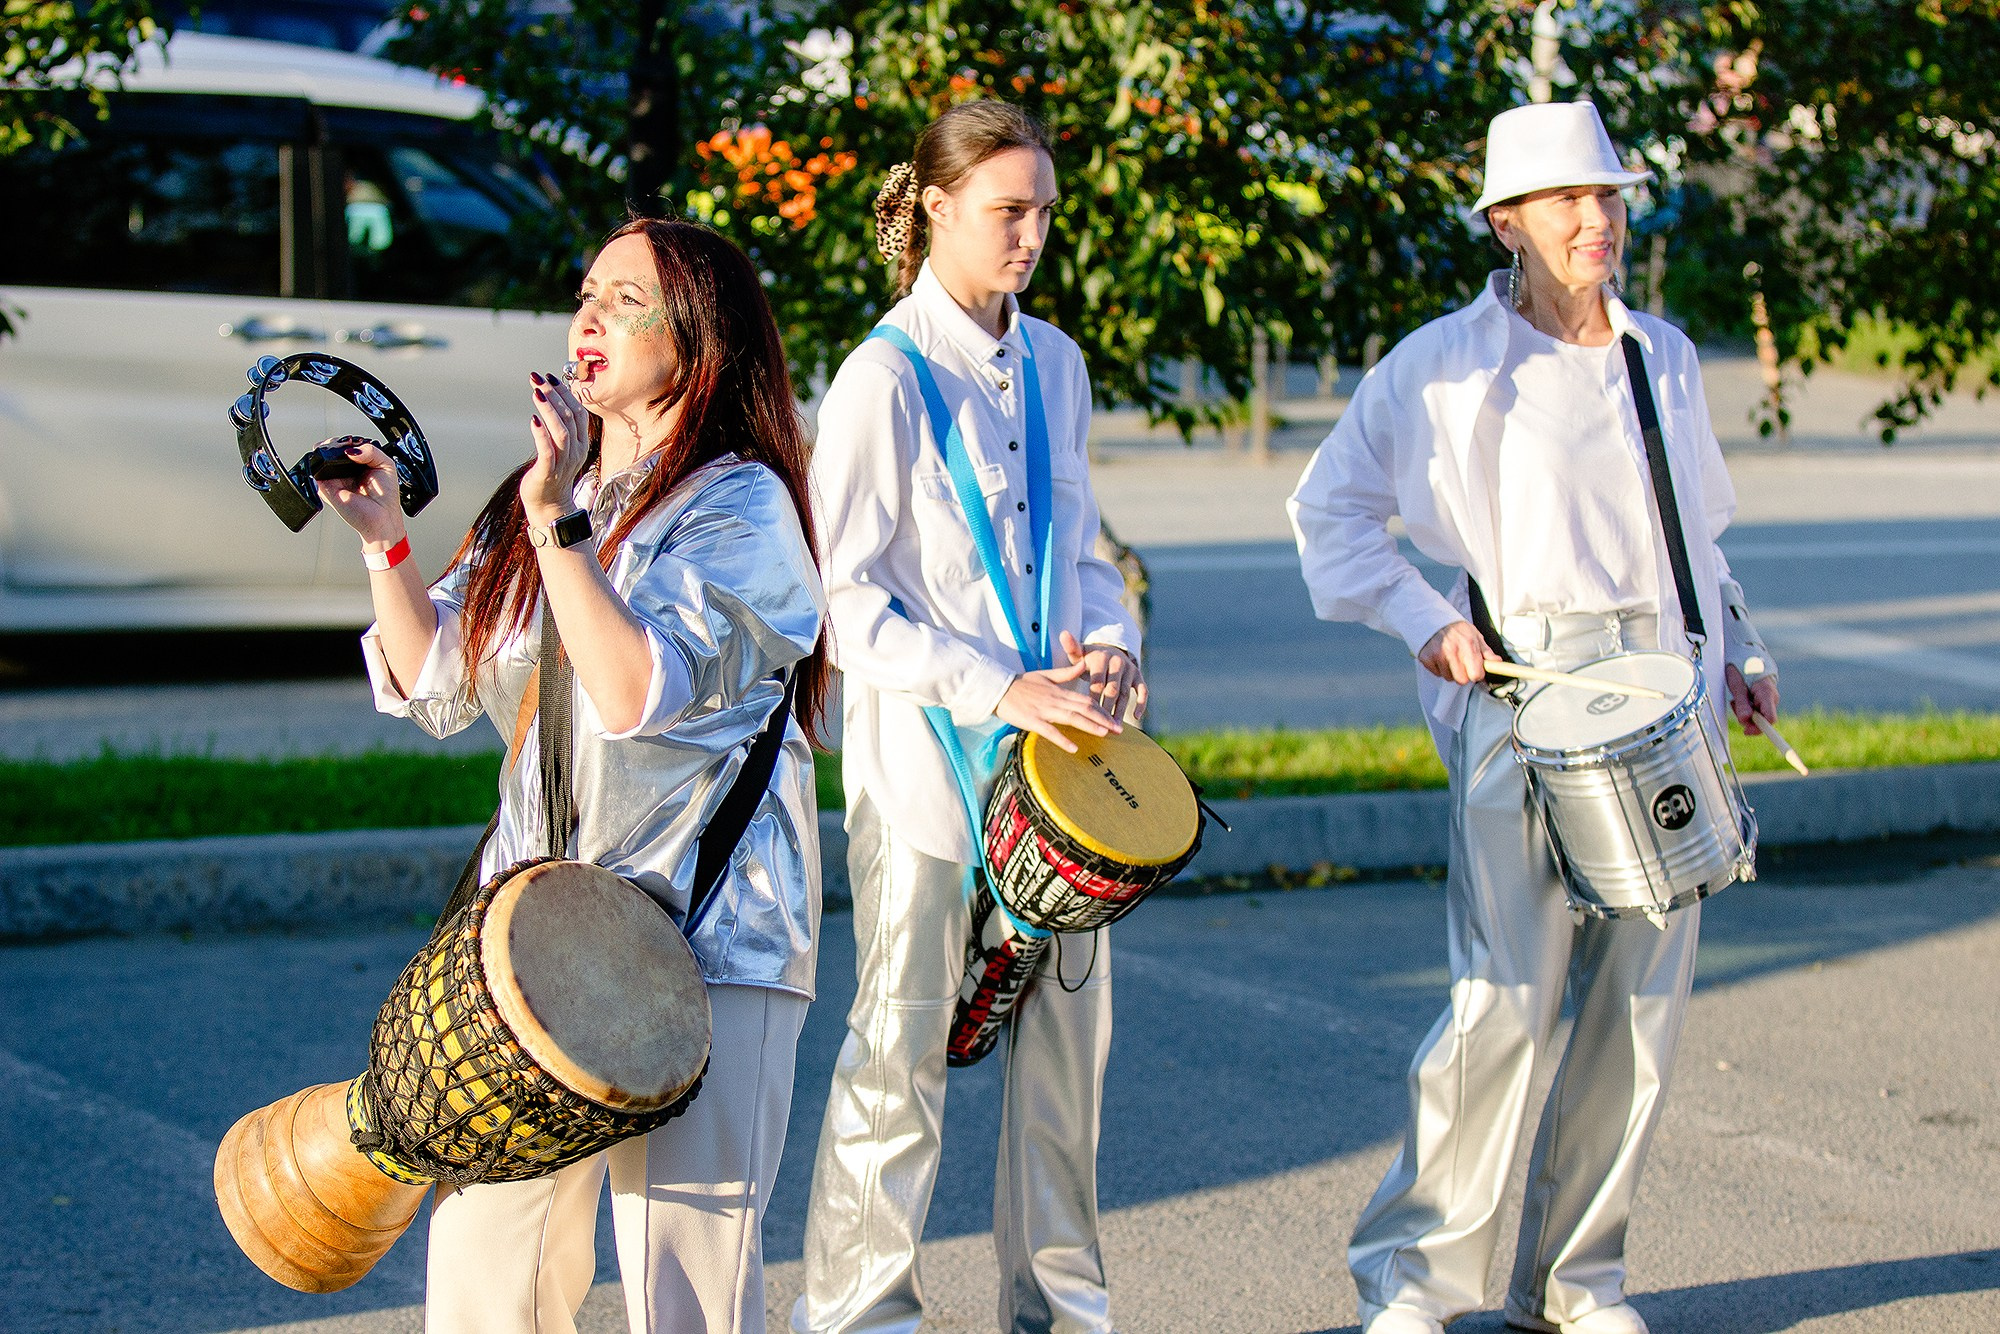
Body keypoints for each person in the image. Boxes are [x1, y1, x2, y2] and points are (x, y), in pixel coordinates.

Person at [1288, 101, 1779, 1334]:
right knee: (1498, 997)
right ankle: (1410, 1279)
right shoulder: (1440, 366)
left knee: (1637, 1009)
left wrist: (1738, 649)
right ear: (1505, 221)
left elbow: (1697, 533)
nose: (1594, 217)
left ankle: (1573, 1282)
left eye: (1605, 195)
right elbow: (1328, 511)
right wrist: (1422, 619)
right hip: (1517, 686)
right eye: (1565, 198)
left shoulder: (1659, 356)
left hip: (1661, 685)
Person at [316, 217, 830, 1334]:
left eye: (626, 301)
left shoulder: (742, 506)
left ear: (698, 338)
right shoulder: (547, 491)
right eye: (586, 294)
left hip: (710, 934)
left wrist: (559, 526)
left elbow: (633, 689)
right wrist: (384, 539)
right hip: (537, 940)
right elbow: (439, 682)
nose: (589, 318)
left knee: (684, 1282)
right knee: (486, 1262)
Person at [794, 99, 1144, 1334]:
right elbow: (841, 602)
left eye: (1042, 211)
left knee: (1066, 1067)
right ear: (934, 207)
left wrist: (1112, 640)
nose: (1030, 234)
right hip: (924, 775)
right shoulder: (880, 378)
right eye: (1006, 210)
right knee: (895, 1061)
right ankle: (857, 1315)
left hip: (1060, 778)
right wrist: (996, 685)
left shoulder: (1056, 362)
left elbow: (1081, 552)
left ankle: (1061, 1312)